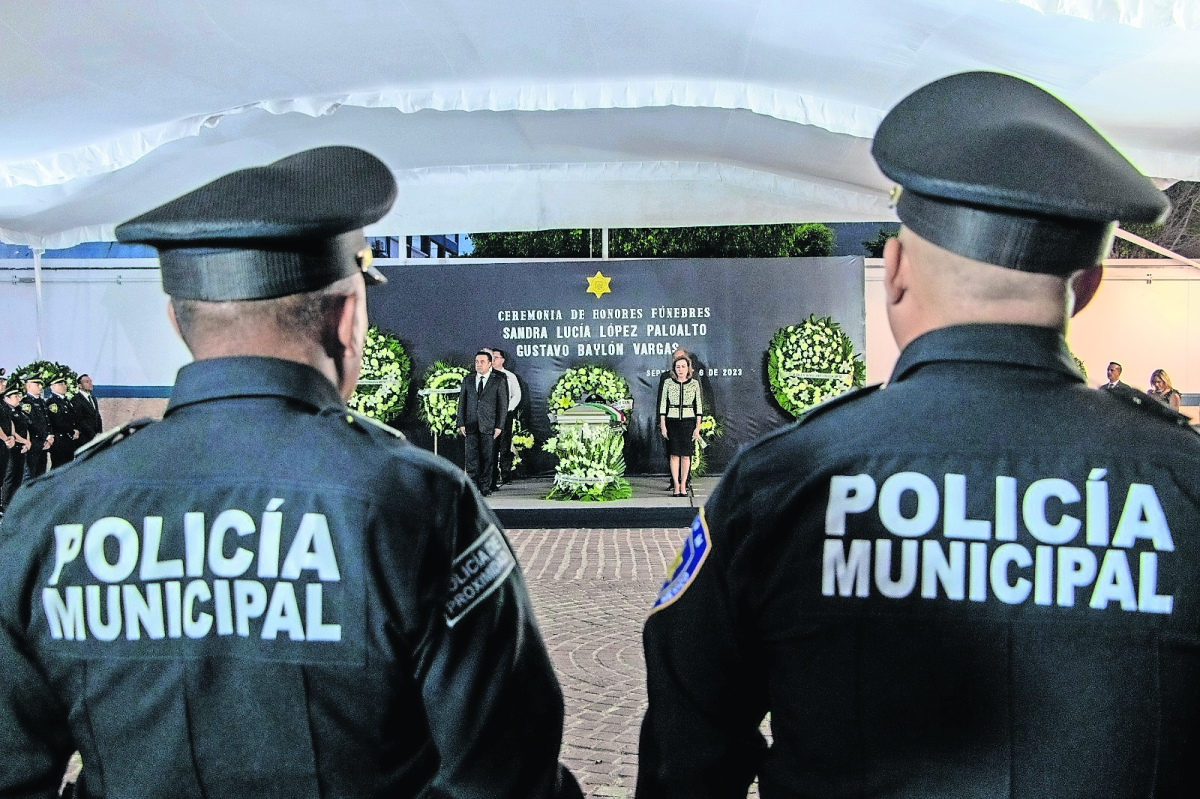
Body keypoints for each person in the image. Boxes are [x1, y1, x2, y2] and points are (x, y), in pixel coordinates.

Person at [637, 71, 1199, 798]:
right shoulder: (1184, 485)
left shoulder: (783, 483)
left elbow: (688, 756)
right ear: (1087, 287)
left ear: (895, 272)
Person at [0, 146, 581, 799]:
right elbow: (506, 775)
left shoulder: (47, 515)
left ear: (177, 319)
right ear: (348, 318)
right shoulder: (418, 502)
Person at [456, 349, 508, 496]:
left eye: (482, 362)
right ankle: (472, 488)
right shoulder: (468, 379)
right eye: (477, 362)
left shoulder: (498, 381)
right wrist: (461, 422)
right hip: (471, 424)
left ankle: (485, 487)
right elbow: (462, 403)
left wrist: (499, 426)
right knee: (471, 458)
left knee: (487, 457)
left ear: (490, 363)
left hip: (489, 425)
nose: (478, 365)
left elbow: (502, 406)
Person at [658, 354, 702, 497]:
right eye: (678, 367)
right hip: (672, 421)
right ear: (674, 369)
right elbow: (663, 405)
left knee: (686, 456)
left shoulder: (694, 383)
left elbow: (699, 407)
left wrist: (698, 426)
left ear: (688, 368)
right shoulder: (668, 383)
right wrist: (663, 424)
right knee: (674, 455)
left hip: (688, 422)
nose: (681, 369)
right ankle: (676, 486)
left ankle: (683, 485)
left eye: (683, 366)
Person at [489, 347, 523, 490]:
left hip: (505, 414)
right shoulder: (485, 375)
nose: (494, 360)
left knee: (504, 443)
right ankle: (491, 476)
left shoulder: (509, 376)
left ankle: (506, 473)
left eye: (496, 357)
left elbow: (517, 395)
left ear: (502, 360)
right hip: (489, 415)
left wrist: (508, 409)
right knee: (490, 445)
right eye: (492, 357)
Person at [656, 348, 689, 490]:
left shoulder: (693, 379)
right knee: (672, 452)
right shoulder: (666, 378)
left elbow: (698, 401)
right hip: (671, 419)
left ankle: (685, 481)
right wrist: (661, 420)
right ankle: (674, 482)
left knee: (686, 453)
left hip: (688, 420)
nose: (679, 362)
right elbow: (661, 401)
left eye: (681, 358)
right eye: (676, 359)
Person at [0, 387, 31, 510]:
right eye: (15, 397)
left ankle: (13, 503)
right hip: (11, 446)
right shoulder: (5, 409)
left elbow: (23, 427)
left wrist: (27, 441)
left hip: (18, 446)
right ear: (7, 398)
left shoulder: (17, 411)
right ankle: (5, 504)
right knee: (9, 477)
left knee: (18, 477)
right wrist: (10, 439)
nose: (18, 398)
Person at [46, 374, 80, 469]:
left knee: (68, 467)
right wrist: (71, 431)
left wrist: (76, 429)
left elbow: (73, 418)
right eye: (60, 384)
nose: (63, 385)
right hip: (59, 441)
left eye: (64, 383)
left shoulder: (66, 402)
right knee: (58, 467)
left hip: (68, 440)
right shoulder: (52, 403)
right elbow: (57, 421)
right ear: (52, 387)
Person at [21, 376, 52, 480]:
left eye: (40, 384)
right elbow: (31, 423)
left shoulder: (42, 402)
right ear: (28, 385)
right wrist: (45, 437)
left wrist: (49, 435)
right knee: (31, 475)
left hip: (44, 444)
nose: (40, 387)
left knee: (41, 474)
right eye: (37, 384)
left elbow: (47, 421)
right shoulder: (26, 403)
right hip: (34, 443)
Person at [71, 374, 103, 446]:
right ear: (80, 386)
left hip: (95, 437)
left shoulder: (93, 399)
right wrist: (92, 434)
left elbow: (97, 415)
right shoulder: (76, 400)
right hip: (84, 438)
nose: (90, 384)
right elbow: (80, 420)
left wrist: (99, 431)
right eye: (87, 382)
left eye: (90, 381)